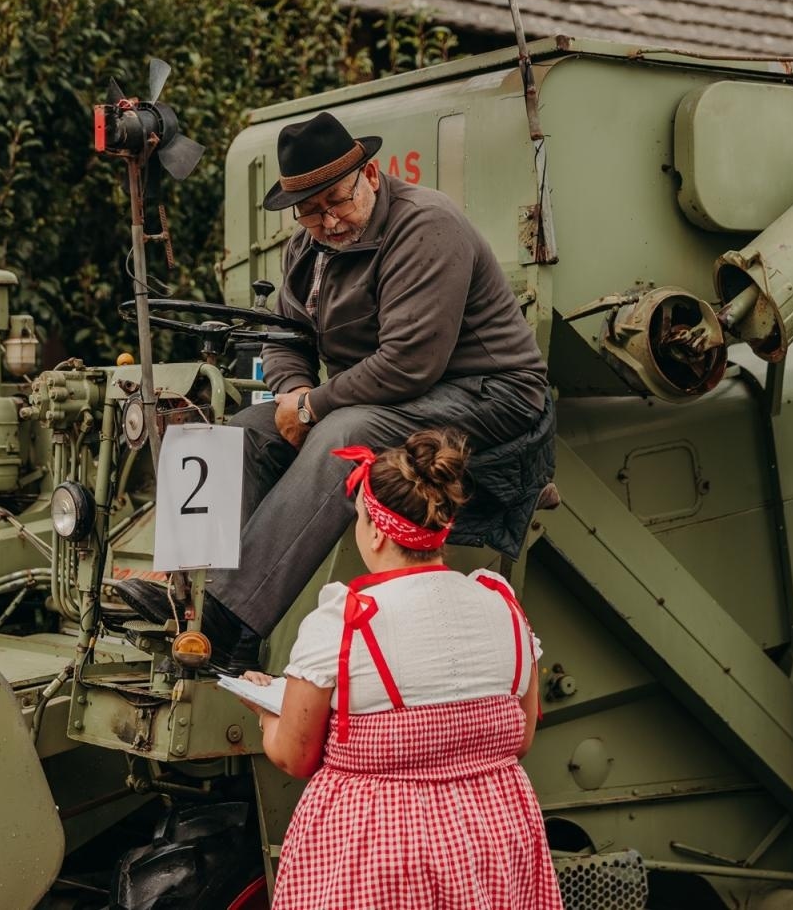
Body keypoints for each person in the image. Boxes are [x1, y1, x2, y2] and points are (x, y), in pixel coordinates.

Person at [115, 110, 551, 668]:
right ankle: (185, 600)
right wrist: (294, 394)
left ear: (369, 175)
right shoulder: (308, 248)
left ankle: (230, 622)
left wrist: (314, 405)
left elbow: (409, 364)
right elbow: (283, 338)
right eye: (310, 211)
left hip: (488, 394)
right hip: (391, 395)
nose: (328, 220)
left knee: (345, 435)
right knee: (232, 434)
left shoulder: (426, 226)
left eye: (337, 201)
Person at [240, 429, 562, 910]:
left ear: (374, 529)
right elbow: (520, 740)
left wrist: (264, 710)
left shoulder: (343, 622)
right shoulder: (503, 607)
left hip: (380, 854)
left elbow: (295, 756)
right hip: (494, 841)